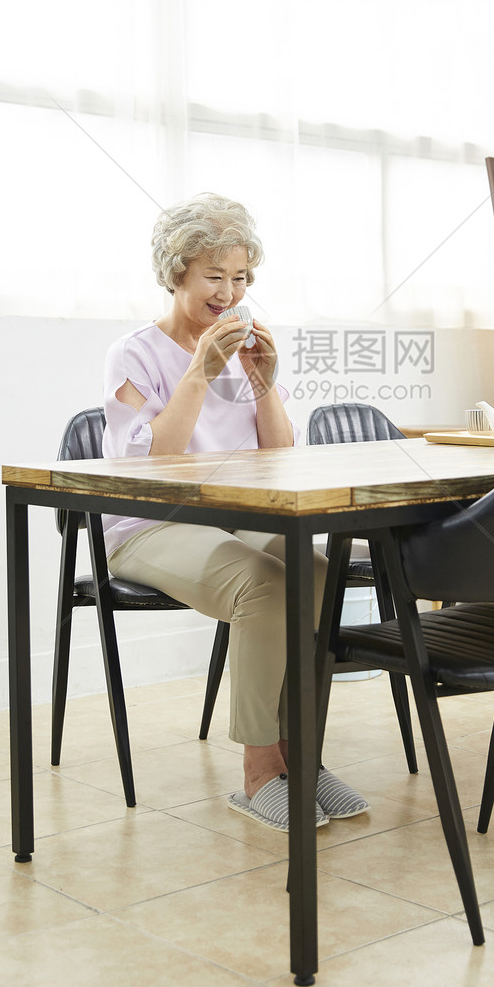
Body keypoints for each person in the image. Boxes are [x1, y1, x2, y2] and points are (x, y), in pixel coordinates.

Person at [102, 192, 368, 832]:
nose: (229, 293)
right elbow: (153, 464)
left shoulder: (246, 345)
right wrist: (198, 372)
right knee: (264, 584)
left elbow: (280, 456)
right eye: (213, 277)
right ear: (177, 274)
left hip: (233, 512)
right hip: (149, 523)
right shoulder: (133, 355)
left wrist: (263, 382)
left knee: (317, 570)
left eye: (241, 278)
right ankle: (259, 772)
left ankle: (300, 755)